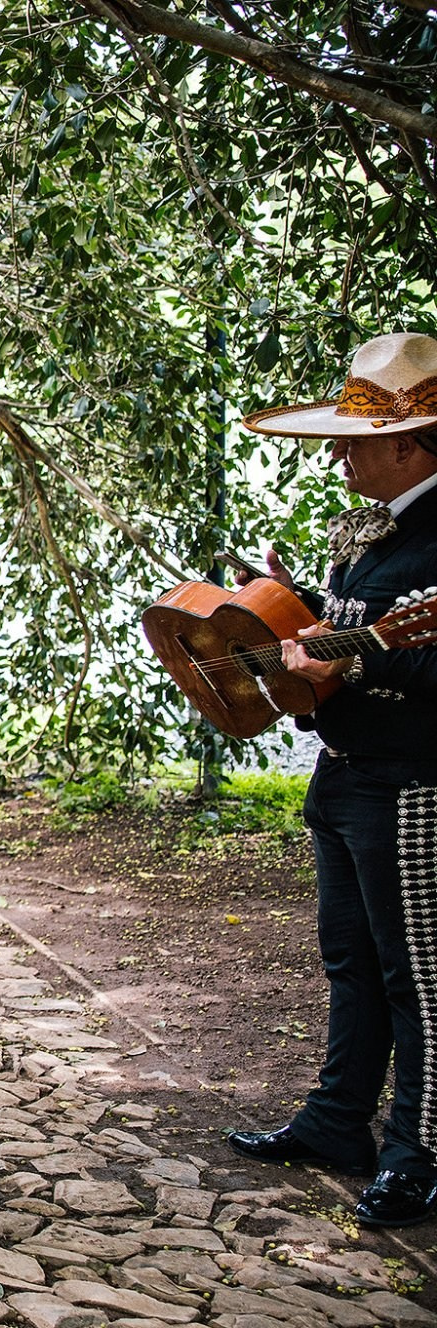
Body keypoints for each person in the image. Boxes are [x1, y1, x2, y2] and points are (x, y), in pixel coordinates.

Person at [226, 331, 437, 1228]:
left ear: (412, 440)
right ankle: (337, 1120)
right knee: (350, 963)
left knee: (416, 977)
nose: (340, 454)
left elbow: (413, 655)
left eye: (354, 440)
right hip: (344, 777)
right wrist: (295, 613)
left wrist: (347, 666)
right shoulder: (369, 532)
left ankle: (418, 1152)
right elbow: (358, 629)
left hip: (414, 784)